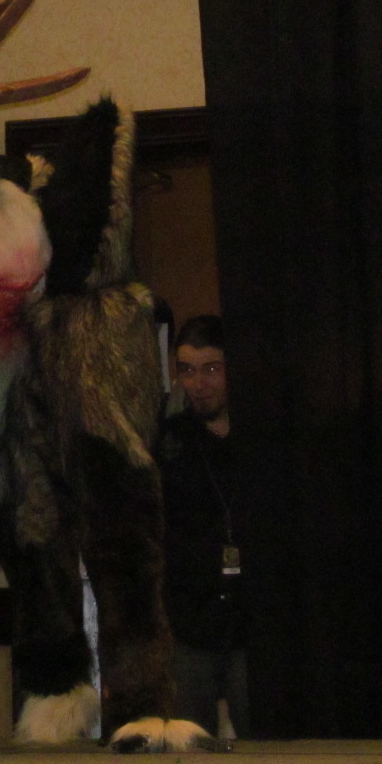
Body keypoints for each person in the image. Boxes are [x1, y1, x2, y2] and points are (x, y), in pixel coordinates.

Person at [158, 314, 249, 738]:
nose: (199, 383)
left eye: (212, 368)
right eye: (187, 370)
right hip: (189, 623)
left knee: (267, 748)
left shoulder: (263, 439)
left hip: (251, 623)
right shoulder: (168, 440)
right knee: (188, 747)